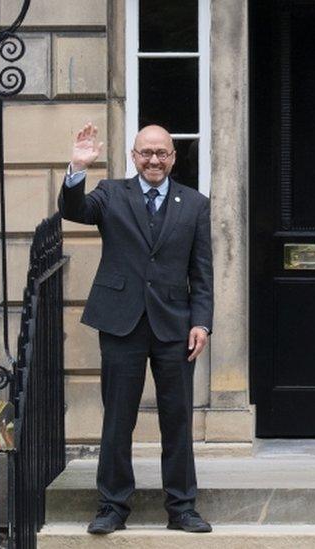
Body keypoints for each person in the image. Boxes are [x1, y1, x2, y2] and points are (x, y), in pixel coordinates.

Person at [59, 123, 214, 534]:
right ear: (133, 155)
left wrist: (202, 322)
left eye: (162, 153)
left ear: (173, 157)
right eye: (146, 153)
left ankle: (182, 508)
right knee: (118, 419)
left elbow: (202, 272)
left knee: (177, 419)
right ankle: (112, 506)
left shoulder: (195, 204)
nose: (154, 160)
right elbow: (74, 211)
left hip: (175, 325)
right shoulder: (111, 194)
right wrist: (78, 166)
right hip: (121, 321)